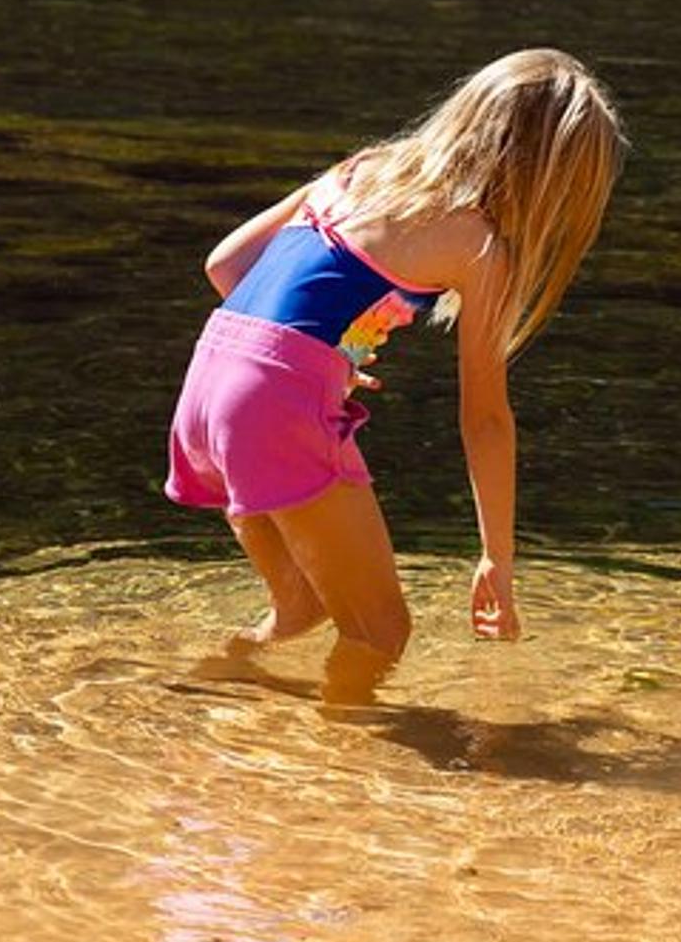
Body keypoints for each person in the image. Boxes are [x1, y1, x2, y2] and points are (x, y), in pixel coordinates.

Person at [165, 49, 627, 702]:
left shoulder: (361, 170)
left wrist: (329, 353)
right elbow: (486, 419)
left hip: (207, 382)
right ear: (544, 184)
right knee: (382, 631)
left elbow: (226, 265)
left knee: (300, 607)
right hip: (273, 400)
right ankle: (342, 777)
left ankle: (204, 685)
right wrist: (497, 556)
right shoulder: (480, 244)